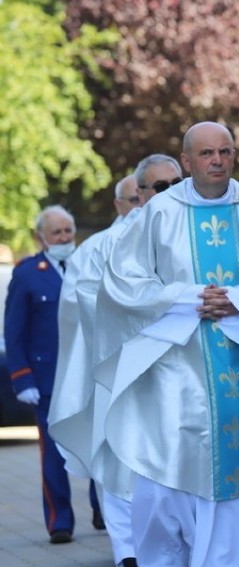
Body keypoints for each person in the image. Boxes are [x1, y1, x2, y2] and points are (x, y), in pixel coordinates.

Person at [92, 122, 239, 566]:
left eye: (225, 152)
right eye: (206, 154)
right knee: (169, 492)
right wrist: (188, 299)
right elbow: (122, 285)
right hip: (176, 381)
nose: (217, 161)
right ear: (186, 162)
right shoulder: (158, 213)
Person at [49, 156, 183, 567]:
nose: (167, 193)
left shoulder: (184, 236)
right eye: (157, 188)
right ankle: (127, 550)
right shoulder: (100, 248)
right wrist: (142, 314)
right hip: (120, 367)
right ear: (133, 198)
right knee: (121, 459)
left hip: (179, 369)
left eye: (175, 183)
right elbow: (79, 301)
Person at [4, 205, 102, 544]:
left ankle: (102, 508)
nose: (64, 238)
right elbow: (14, 331)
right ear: (40, 237)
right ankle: (60, 520)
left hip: (88, 375)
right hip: (48, 379)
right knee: (53, 452)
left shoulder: (88, 265)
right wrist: (22, 378)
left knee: (96, 444)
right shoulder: (29, 273)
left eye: (68, 232)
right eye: (57, 233)